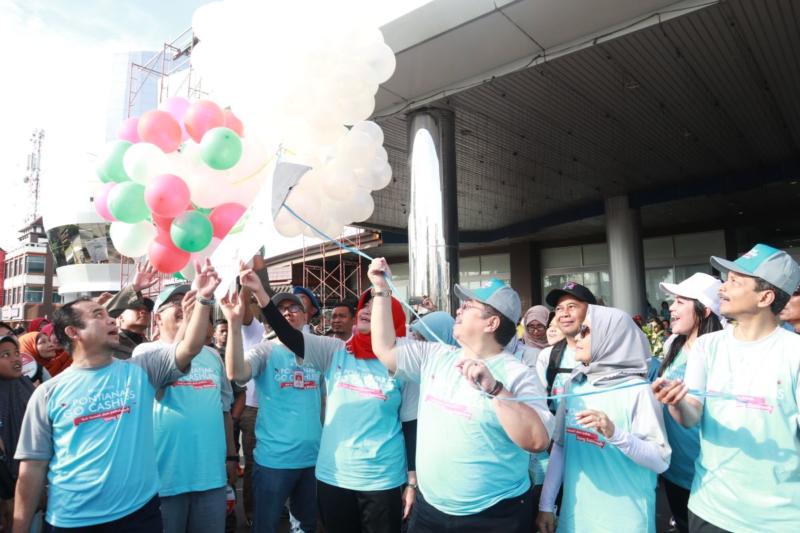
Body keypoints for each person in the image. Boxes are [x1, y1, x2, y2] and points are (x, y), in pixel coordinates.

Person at [12, 260, 220, 532]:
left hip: (140, 515)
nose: (111, 319)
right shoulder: (47, 393)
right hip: (72, 520)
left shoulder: (142, 371)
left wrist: (204, 299)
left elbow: (189, 347)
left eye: (109, 314)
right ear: (73, 332)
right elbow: (32, 470)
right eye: (99, 315)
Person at [369, 258, 553, 532]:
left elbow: (537, 440)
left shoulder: (518, 374)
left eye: (468, 306)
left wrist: (495, 389)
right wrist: (381, 290)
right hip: (429, 510)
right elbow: (384, 349)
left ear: (491, 323)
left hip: (493, 515)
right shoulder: (435, 354)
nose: (458, 309)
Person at [240, 265, 418, 533]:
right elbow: (288, 336)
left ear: (393, 317)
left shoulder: (405, 362)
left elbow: (410, 424)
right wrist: (261, 294)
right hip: (335, 476)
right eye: (365, 306)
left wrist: (412, 480)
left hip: (382, 478)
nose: (368, 310)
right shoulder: (335, 350)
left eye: (378, 305)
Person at [653, 243, 800, 532]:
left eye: (735, 281)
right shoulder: (708, 347)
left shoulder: (794, 352)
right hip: (710, 508)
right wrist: (677, 402)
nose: (723, 287)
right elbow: (691, 415)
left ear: (765, 297)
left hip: (779, 518)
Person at [537, 305, 670, 533]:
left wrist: (614, 433)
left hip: (625, 521)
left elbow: (660, 461)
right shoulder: (575, 384)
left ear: (611, 337)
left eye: (586, 331)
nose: (577, 337)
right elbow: (560, 447)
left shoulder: (638, 390)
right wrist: (546, 505)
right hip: (575, 519)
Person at [133, 283, 237, 533]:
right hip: (165, 479)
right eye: (177, 302)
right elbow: (169, 368)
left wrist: (232, 456)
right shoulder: (145, 352)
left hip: (210, 476)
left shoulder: (212, 356)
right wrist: (190, 322)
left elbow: (224, 409)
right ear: (157, 318)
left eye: (190, 299)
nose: (186, 305)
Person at [226, 289, 321, 533]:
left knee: (306, 527)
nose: (288, 312)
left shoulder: (319, 350)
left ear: (306, 316)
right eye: (281, 309)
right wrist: (234, 325)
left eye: (295, 308)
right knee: (265, 526)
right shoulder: (264, 350)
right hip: (274, 462)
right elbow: (237, 373)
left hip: (313, 459)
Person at [655, 273, 723, 533]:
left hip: (707, 474)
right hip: (674, 469)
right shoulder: (673, 343)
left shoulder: (720, 351)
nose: (671, 308)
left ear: (704, 311)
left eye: (681, 302)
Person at [544, 282, 597, 415]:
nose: (564, 314)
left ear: (591, 310)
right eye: (559, 308)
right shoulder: (548, 356)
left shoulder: (606, 354)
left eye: (571, 306)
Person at [0, 335, 34, 530]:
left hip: (33, 479)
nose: (15, 359)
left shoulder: (26, 385)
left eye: (16, 353)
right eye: (5, 355)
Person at [105, 260, 160, 359]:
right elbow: (96, 319)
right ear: (120, 316)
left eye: (148, 309)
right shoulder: (106, 340)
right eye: (136, 308)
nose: (143, 311)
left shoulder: (151, 347)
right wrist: (134, 288)